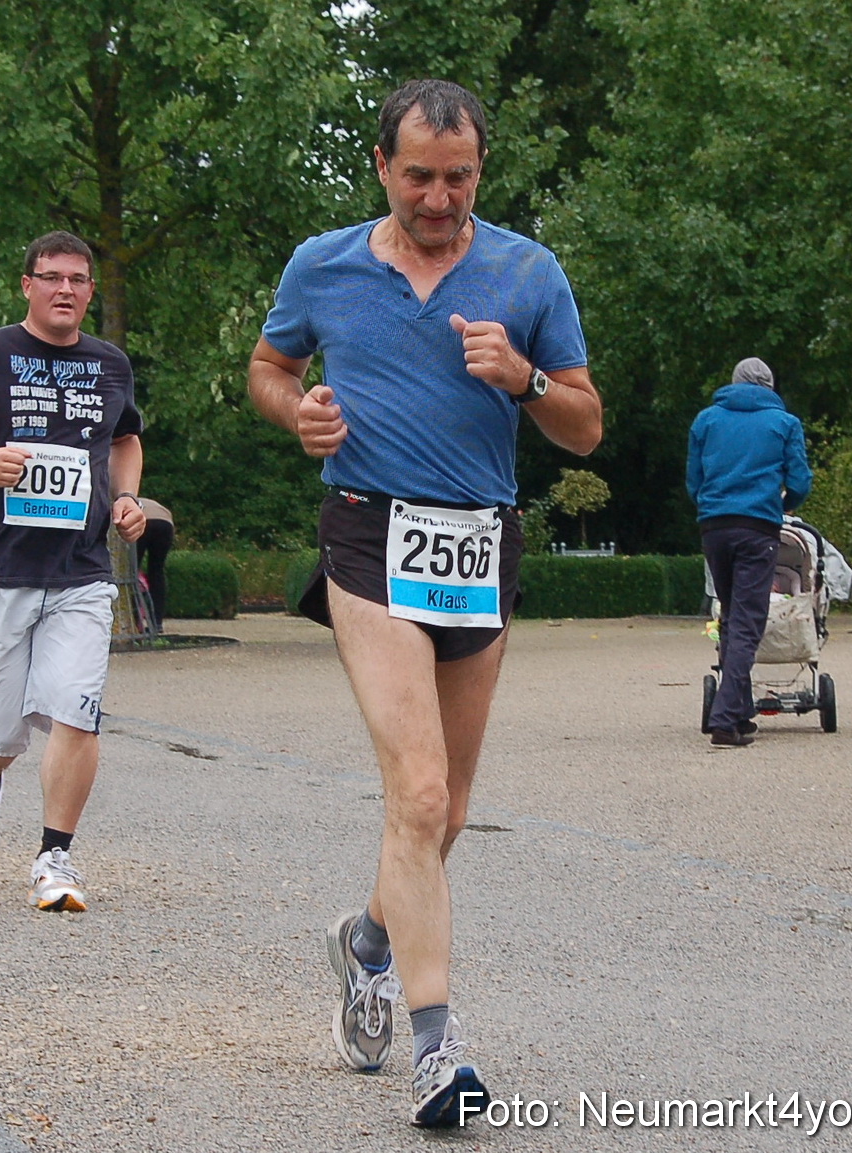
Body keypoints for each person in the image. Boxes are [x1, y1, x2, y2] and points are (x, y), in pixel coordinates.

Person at [246, 79, 602, 1128]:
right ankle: (438, 1051)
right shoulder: (322, 263)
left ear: (479, 171)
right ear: (380, 167)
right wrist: (294, 412)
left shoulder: (528, 271)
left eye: (457, 178)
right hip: (367, 529)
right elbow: (268, 368)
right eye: (418, 177)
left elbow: (583, 427)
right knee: (416, 789)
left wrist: (526, 380)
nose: (438, 198)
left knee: (439, 811)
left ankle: (365, 941)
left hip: (478, 538)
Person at [0, 230, 146, 914]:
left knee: (77, 711)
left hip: (81, 570)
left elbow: (125, 438)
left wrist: (125, 496)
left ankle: (53, 857)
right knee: (3, 729)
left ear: (90, 291)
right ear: (27, 284)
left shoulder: (109, 364)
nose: (64, 289)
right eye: (50, 277)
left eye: (77, 279)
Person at [686, 356, 811, 747]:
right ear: (769, 387)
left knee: (729, 617)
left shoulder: (706, 420)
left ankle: (738, 712)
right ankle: (724, 721)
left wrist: (711, 505)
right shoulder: (784, 424)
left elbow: (694, 480)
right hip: (758, 528)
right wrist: (785, 503)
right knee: (747, 623)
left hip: (715, 528)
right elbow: (800, 481)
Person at [136, 496, 174, 631]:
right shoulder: (147, 501)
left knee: (132, 572)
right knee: (156, 571)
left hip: (141, 520)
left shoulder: (123, 501)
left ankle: (136, 621)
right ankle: (157, 622)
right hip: (165, 523)